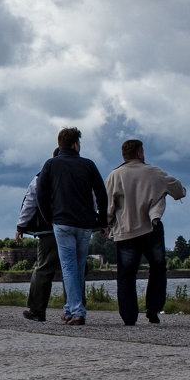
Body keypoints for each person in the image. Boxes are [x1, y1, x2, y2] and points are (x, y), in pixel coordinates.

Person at [105, 139, 186, 326]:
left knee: (126, 274)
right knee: (157, 269)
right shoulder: (154, 172)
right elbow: (178, 191)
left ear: (124, 155)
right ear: (140, 153)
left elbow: (109, 207)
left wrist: (107, 225)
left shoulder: (114, 176)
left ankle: (129, 316)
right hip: (151, 228)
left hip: (125, 231)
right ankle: (153, 308)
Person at [35, 127, 108, 325]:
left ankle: (76, 310)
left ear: (60, 144)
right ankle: (70, 308)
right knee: (78, 266)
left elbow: (40, 194)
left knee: (68, 268)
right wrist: (103, 222)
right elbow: (101, 194)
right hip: (84, 224)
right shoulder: (88, 165)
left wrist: (49, 216)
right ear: (76, 144)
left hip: (62, 222)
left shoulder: (50, 165)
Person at [17, 149, 59, 322]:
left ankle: (37, 309)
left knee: (43, 269)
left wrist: (21, 225)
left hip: (47, 229)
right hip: (76, 228)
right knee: (75, 270)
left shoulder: (41, 176)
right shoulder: (81, 172)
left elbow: (30, 201)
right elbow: (93, 198)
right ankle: (76, 310)